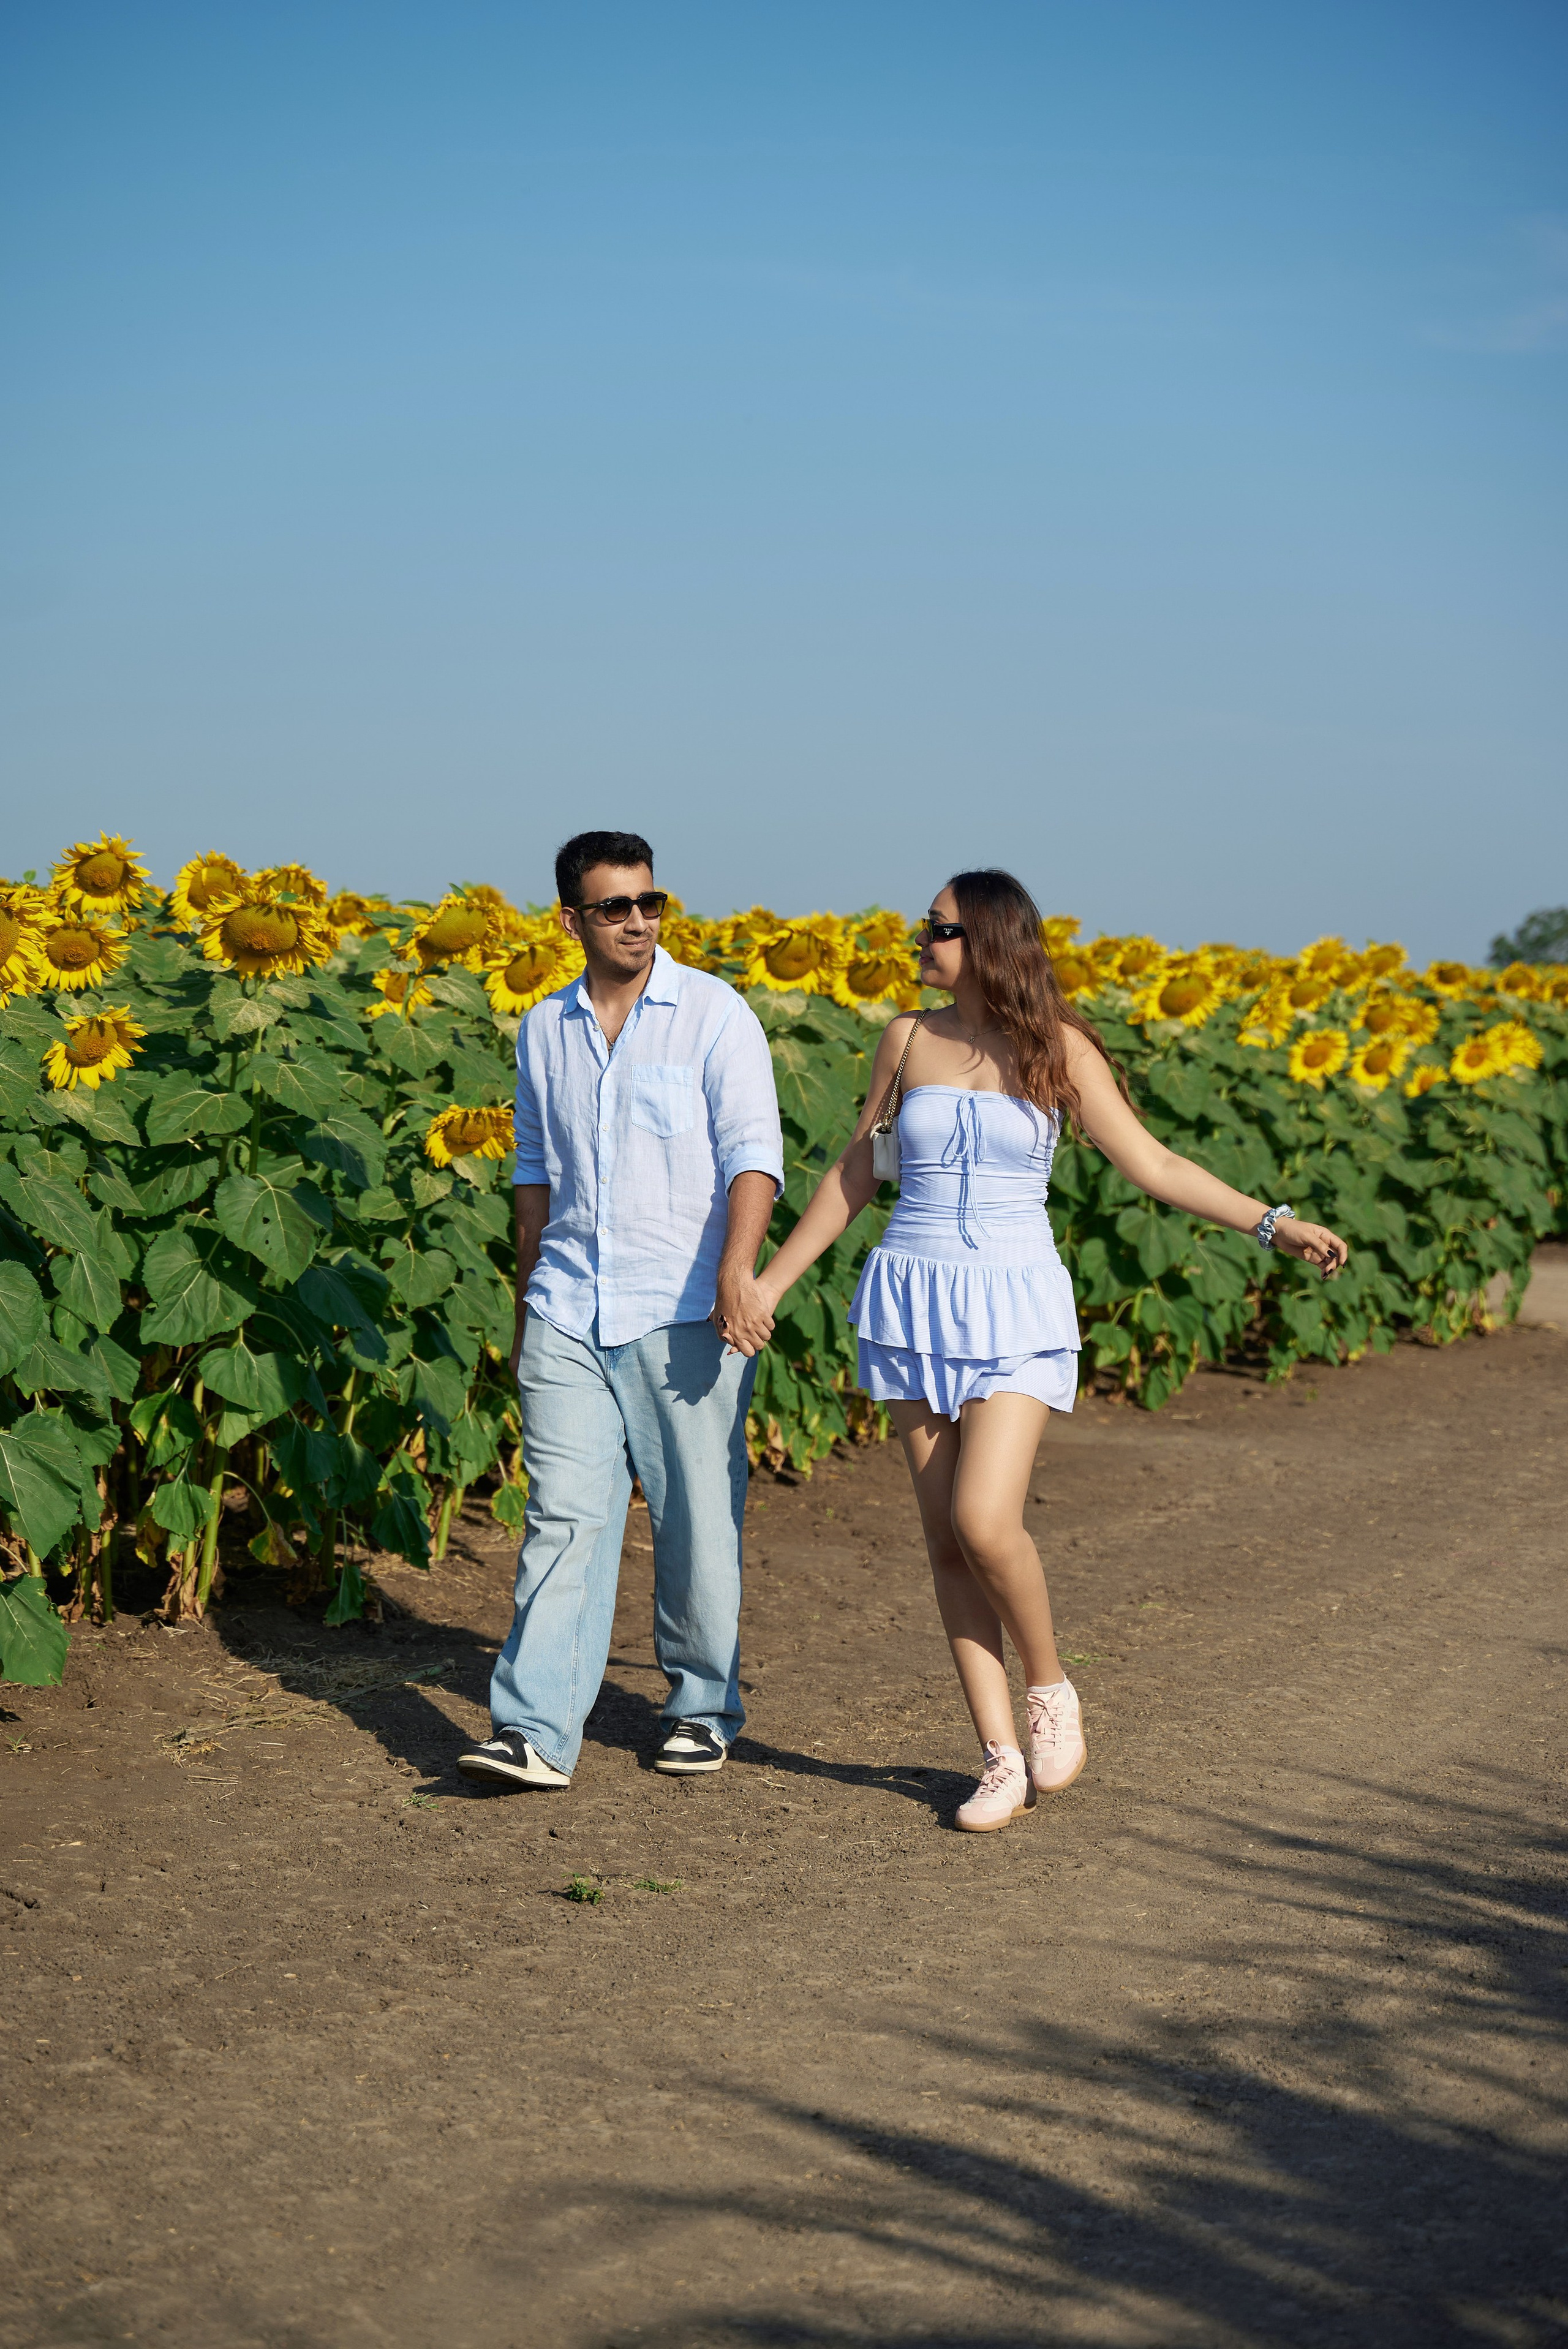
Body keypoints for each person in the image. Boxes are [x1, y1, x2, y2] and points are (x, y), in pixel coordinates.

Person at [740, 869, 1349, 1832]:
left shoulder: (1057, 1048)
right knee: (944, 1540)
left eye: (935, 930)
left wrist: (1271, 1222)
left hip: (1018, 1305)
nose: (919, 945)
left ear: (986, 937)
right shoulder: (905, 1039)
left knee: (986, 1521)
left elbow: (1152, 1164)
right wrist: (771, 1284)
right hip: (910, 1300)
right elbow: (859, 1169)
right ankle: (997, 1760)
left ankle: (1050, 1688)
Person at [458, 831, 782, 1793]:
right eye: (615, 907)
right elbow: (531, 1180)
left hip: (683, 1309)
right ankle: (536, 1729)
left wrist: (738, 1273)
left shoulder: (715, 1015)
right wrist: (525, 1312)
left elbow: (753, 1160)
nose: (637, 921)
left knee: (694, 1516)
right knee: (563, 1515)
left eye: (649, 903)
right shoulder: (544, 1026)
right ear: (572, 921)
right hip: (566, 1304)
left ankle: (700, 1706)